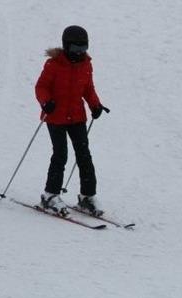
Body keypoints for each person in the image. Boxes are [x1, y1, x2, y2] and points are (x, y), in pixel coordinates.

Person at [35, 25, 110, 216]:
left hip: (77, 117)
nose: (80, 53)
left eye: (83, 48)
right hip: (56, 117)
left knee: (84, 156)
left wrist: (95, 105)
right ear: (66, 46)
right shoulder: (53, 65)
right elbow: (41, 87)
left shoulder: (86, 64)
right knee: (61, 155)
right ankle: (50, 195)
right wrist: (46, 103)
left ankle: (87, 197)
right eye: (76, 49)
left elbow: (88, 89)